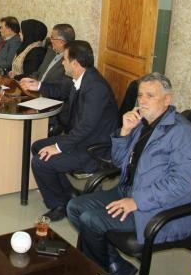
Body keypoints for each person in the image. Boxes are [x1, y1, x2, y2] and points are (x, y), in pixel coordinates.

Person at [67, 73, 191, 275]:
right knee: (74, 207)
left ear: (167, 100)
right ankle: (114, 266)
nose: (142, 101)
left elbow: (182, 183)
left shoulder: (183, 133)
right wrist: (125, 132)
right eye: (140, 95)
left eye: (150, 96)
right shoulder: (142, 123)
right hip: (128, 191)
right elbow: (119, 161)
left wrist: (137, 201)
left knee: (90, 220)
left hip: (156, 208)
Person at [23, 41, 119, 221]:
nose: (62, 63)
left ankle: (58, 206)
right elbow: (61, 90)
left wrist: (58, 147)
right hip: (82, 139)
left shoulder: (96, 87)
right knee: (38, 147)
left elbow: (86, 127)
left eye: (65, 59)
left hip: (94, 147)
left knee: (40, 162)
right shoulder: (82, 77)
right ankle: (67, 194)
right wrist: (38, 85)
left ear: (75, 63)